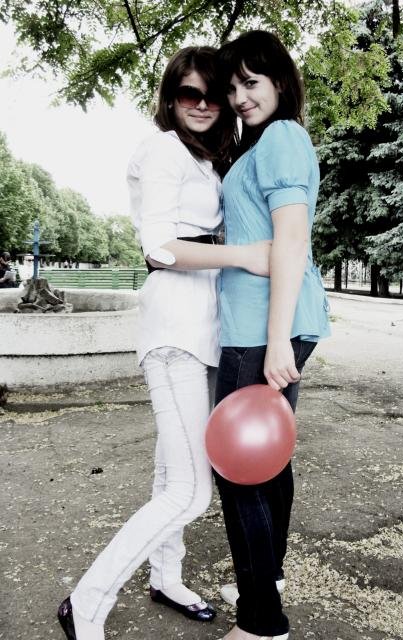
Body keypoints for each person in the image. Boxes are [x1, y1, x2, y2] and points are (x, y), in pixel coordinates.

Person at [57, 45, 270, 640]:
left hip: (205, 335)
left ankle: (166, 576)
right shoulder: (162, 149)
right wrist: (244, 256)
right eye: (187, 93)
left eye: (212, 94)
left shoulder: (205, 159)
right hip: (175, 334)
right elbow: (158, 248)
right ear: (170, 98)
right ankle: (87, 602)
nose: (201, 104)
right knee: (190, 491)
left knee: (168, 472)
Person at [213, 31, 331, 640]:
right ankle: (267, 581)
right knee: (267, 462)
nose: (239, 96)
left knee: (238, 471)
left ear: (281, 82)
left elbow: (290, 240)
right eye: (232, 86)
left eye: (250, 82)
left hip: (262, 328)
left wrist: (278, 338)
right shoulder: (264, 144)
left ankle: (261, 623)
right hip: (267, 324)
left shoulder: (282, 136)